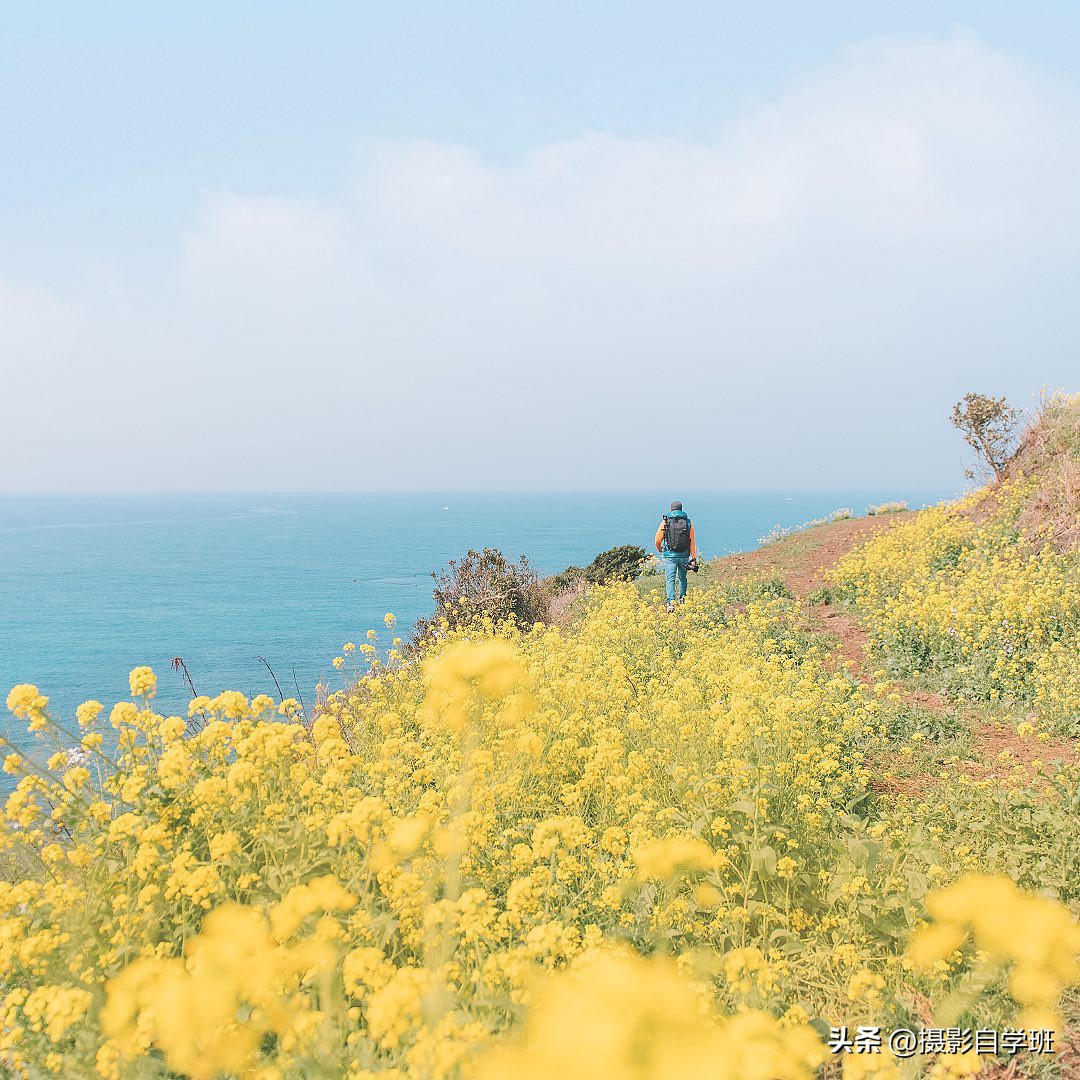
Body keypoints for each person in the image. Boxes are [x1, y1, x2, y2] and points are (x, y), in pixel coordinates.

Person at [654, 500, 698, 612]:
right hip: (684, 555)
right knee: (683, 578)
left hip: (670, 556)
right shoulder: (688, 523)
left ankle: (670, 604)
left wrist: (661, 549)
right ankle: (682, 600)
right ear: (681, 510)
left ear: (671, 510)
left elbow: (658, 540)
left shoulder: (665, 522)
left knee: (670, 579)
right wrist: (693, 558)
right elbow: (692, 541)